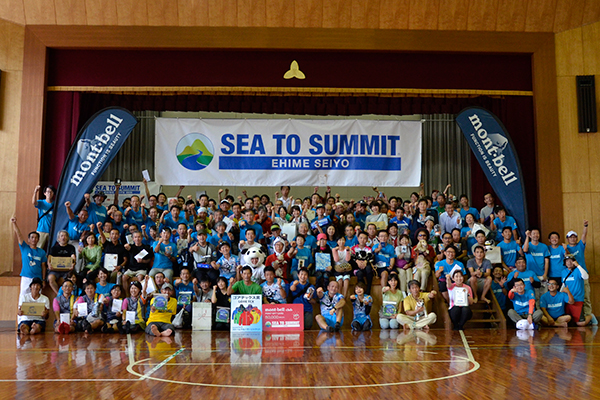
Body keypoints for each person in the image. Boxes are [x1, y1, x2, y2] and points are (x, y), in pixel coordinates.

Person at [11, 217, 47, 297]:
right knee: (23, 297)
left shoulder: (42, 252)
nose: (34, 239)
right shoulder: (24, 248)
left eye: (36, 237)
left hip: (37, 278)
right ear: (29, 240)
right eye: (32, 237)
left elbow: (43, 266)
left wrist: (43, 280)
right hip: (26, 277)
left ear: (38, 240)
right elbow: (19, 235)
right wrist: (14, 223)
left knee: (36, 298)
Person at [561, 254, 591, 326]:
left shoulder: (578, 270)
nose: (569, 263)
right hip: (568, 299)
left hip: (578, 299)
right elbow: (563, 284)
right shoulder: (563, 272)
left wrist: (578, 265)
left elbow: (586, 277)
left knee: (580, 323)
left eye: (571, 261)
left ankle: (591, 317)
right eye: (567, 261)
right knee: (570, 322)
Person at [122, 231, 154, 295]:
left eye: (139, 237)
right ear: (133, 239)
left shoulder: (146, 247)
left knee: (140, 277)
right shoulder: (130, 247)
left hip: (141, 269)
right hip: (131, 269)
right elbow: (125, 244)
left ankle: (140, 295)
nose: (137, 239)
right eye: (135, 237)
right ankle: (127, 295)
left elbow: (149, 260)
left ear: (142, 238)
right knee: (124, 277)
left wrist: (143, 261)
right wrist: (126, 246)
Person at [47, 230, 76, 295]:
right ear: (58, 238)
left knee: (70, 279)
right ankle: (59, 295)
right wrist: (49, 264)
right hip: (55, 270)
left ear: (67, 238)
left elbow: (73, 256)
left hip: (67, 270)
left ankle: (68, 295)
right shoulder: (54, 248)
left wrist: (73, 263)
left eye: (65, 236)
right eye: (62, 236)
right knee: (50, 278)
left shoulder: (71, 247)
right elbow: (49, 257)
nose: (63, 237)